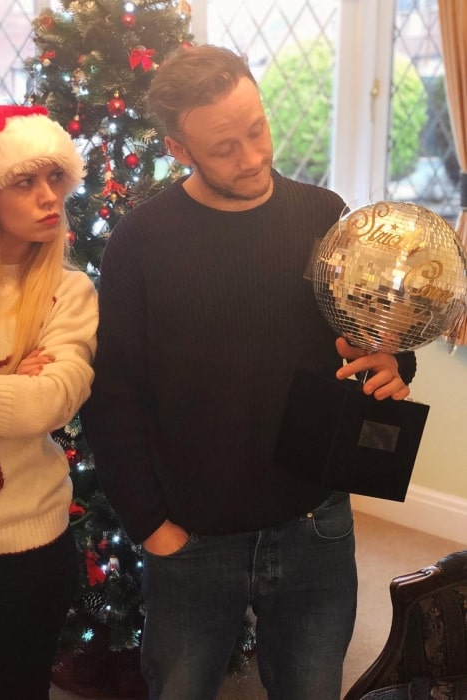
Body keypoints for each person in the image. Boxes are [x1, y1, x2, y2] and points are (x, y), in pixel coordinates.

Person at [81, 45, 417, 700]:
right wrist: (152, 526)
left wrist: (391, 358)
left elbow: (365, 332)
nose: (254, 157)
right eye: (225, 147)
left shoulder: (323, 215)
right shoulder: (140, 243)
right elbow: (112, 396)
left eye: (257, 129)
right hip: (193, 536)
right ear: (180, 150)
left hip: (316, 523)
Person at [0, 102, 98, 700]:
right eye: (26, 181)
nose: (49, 196)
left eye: (55, 179)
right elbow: (19, 401)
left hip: (26, 542)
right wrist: (5, 386)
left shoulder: (69, 292)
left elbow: (51, 401)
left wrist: (14, 392)